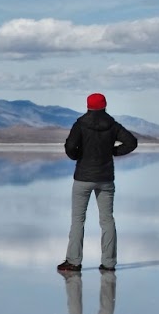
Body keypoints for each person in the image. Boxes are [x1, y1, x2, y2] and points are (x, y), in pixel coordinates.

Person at [58, 92, 137, 273]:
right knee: (107, 220)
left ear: (88, 106)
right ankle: (109, 263)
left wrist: (78, 156)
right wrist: (113, 152)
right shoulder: (112, 125)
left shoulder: (80, 124)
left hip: (83, 178)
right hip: (105, 178)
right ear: (104, 106)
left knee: (78, 220)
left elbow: (70, 147)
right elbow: (131, 142)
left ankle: (74, 262)